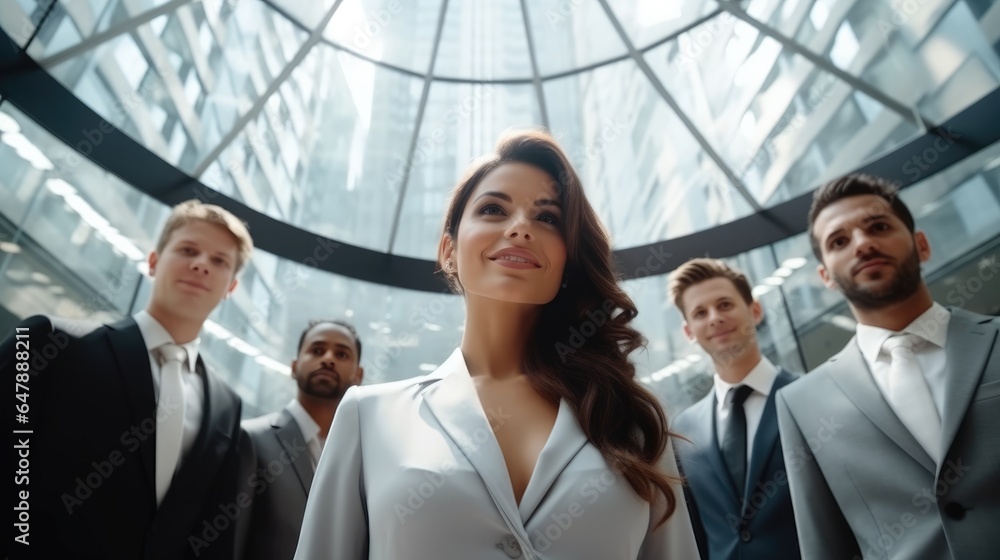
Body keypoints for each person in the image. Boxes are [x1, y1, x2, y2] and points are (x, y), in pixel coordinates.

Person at [293, 130, 699, 559]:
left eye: (547, 218)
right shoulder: (367, 416)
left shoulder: (632, 422)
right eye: (493, 209)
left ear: (567, 259)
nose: (520, 227)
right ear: (448, 250)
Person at [2, 199, 253, 559]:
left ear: (230, 287)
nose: (201, 264)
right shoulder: (49, 343)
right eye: (188, 250)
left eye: (219, 261)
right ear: (153, 262)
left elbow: (213, 529)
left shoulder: (227, 405)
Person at [776, 174, 1000, 559]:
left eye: (877, 226)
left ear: (922, 245)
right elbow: (825, 548)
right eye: (839, 241)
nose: (863, 244)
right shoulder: (800, 404)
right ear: (825, 276)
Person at [668, 258, 800, 560]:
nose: (714, 318)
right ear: (689, 332)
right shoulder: (683, 430)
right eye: (700, 313)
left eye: (725, 305)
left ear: (755, 310)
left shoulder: (808, 396)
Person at [235, 320, 364, 560]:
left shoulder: (363, 458)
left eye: (342, 353)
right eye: (316, 350)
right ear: (294, 366)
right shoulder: (250, 439)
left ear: (359, 374)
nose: (328, 358)